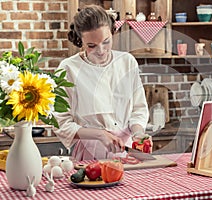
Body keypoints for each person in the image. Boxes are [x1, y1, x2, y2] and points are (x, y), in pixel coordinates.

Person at [53, 4, 149, 161]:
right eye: (92, 45)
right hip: (90, 156)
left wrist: (139, 134)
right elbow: (61, 124)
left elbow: (138, 109)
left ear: (112, 33)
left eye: (106, 42)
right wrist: (99, 134)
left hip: (128, 154)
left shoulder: (127, 62)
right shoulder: (68, 68)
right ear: (80, 40)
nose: (101, 50)